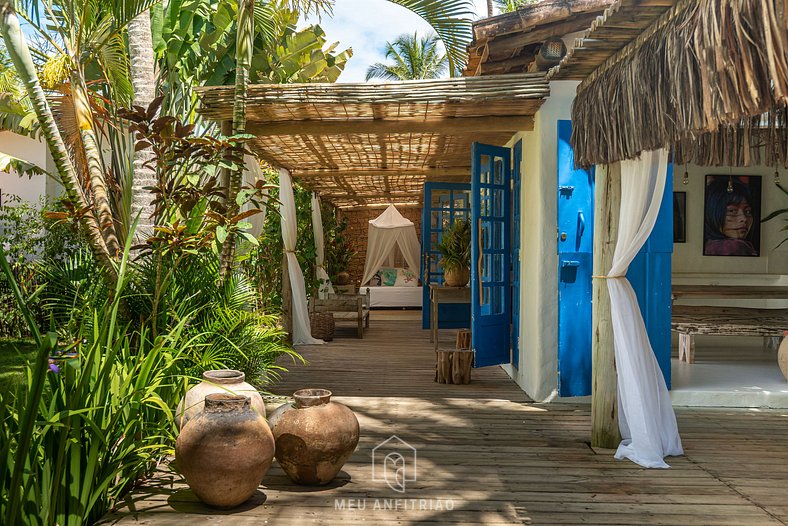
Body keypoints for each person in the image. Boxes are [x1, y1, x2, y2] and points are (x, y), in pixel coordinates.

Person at [703, 176, 758, 256]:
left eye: (748, 211)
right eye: (732, 211)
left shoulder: (709, 245)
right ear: (713, 213)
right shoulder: (734, 247)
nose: (744, 219)